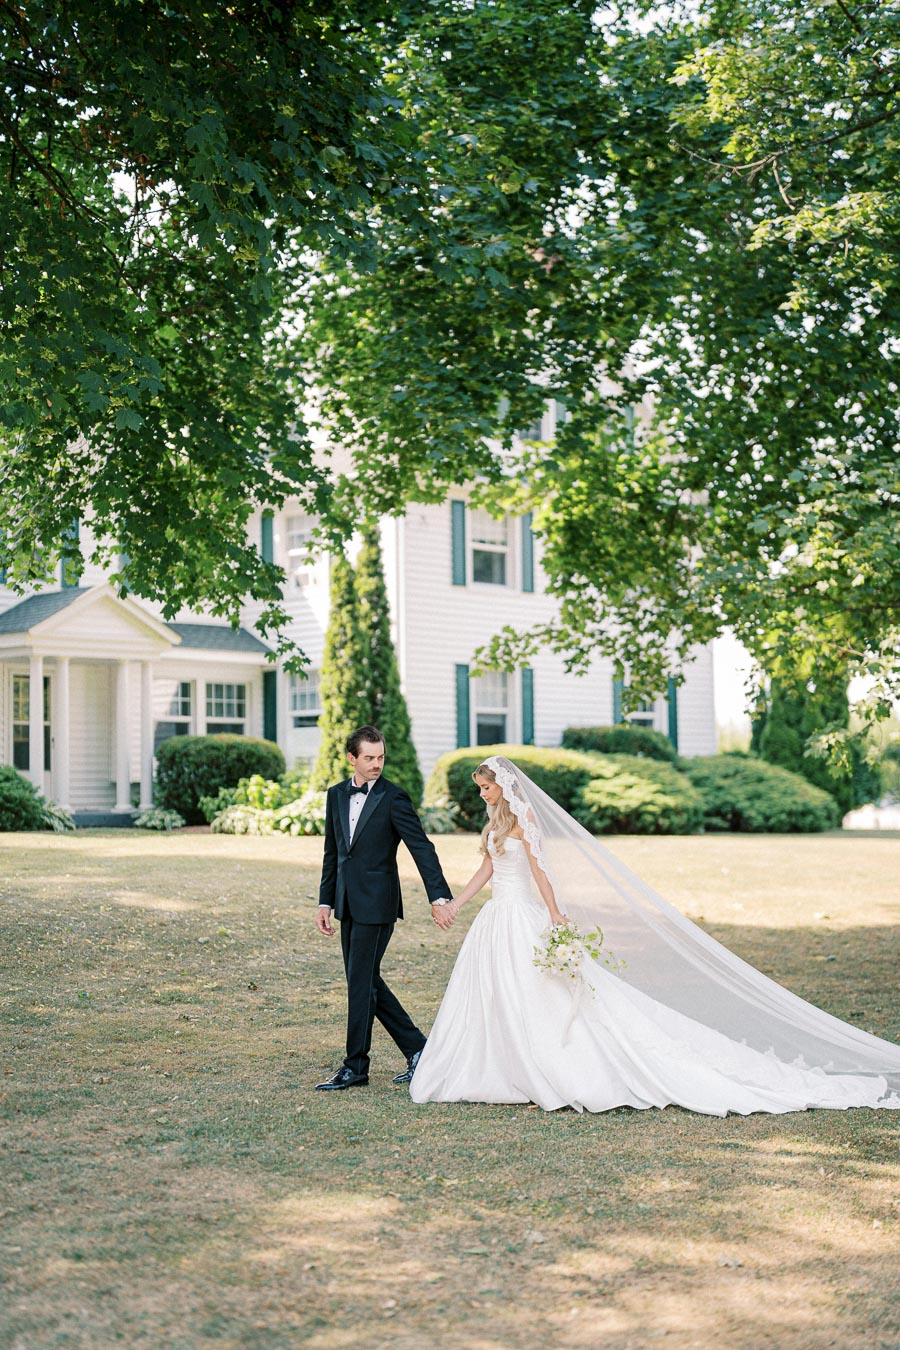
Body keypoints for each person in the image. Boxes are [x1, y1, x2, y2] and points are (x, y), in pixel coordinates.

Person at [410, 755, 900, 1114]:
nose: (483, 795)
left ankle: (548, 1066)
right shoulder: (494, 827)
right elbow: (486, 873)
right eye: (481, 789)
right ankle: (500, 1064)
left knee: (542, 995)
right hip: (497, 921)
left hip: (526, 920)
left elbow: (541, 875)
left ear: (506, 787)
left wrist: (557, 918)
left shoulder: (526, 825)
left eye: (487, 789)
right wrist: (455, 904)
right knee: (498, 995)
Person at [315, 725, 453, 1091]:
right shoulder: (335, 796)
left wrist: (439, 896)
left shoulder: (394, 797)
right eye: (369, 758)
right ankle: (419, 1050)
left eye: (381, 758)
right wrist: (325, 900)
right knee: (364, 982)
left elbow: (421, 847)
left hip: (378, 904)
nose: (377, 765)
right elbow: (333, 853)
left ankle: (355, 1067)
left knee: (360, 982)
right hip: (346, 902)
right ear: (352, 758)